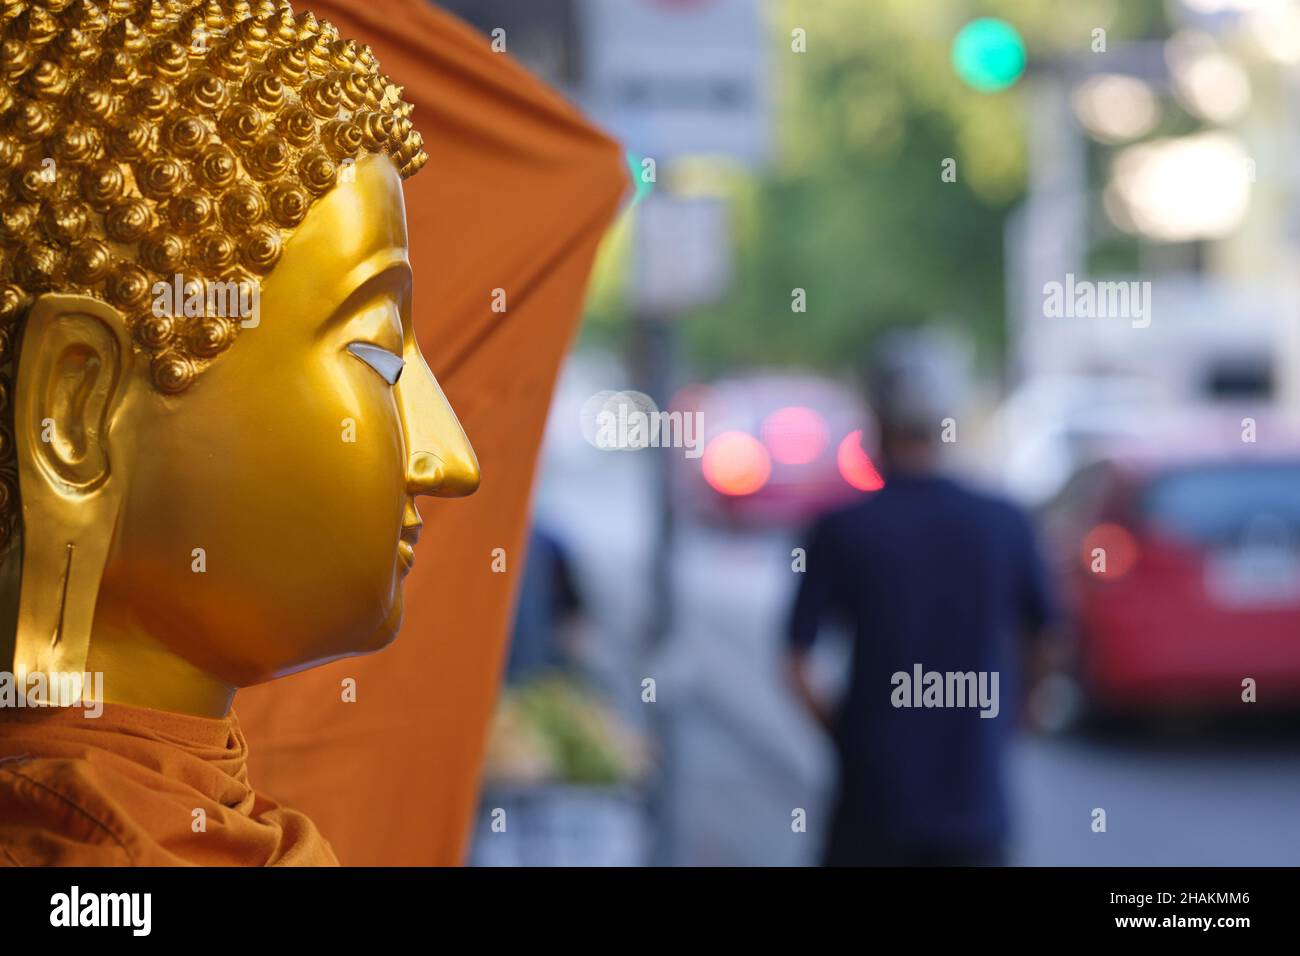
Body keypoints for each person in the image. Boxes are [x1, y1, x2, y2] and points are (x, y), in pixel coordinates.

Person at [786, 332, 1056, 866]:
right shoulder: (1004, 522)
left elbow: (795, 661)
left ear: (876, 419)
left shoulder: (842, 528)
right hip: (975, 814)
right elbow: (1045, 641)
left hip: (871, 812)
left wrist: (847, 733)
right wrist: (1011, 719)